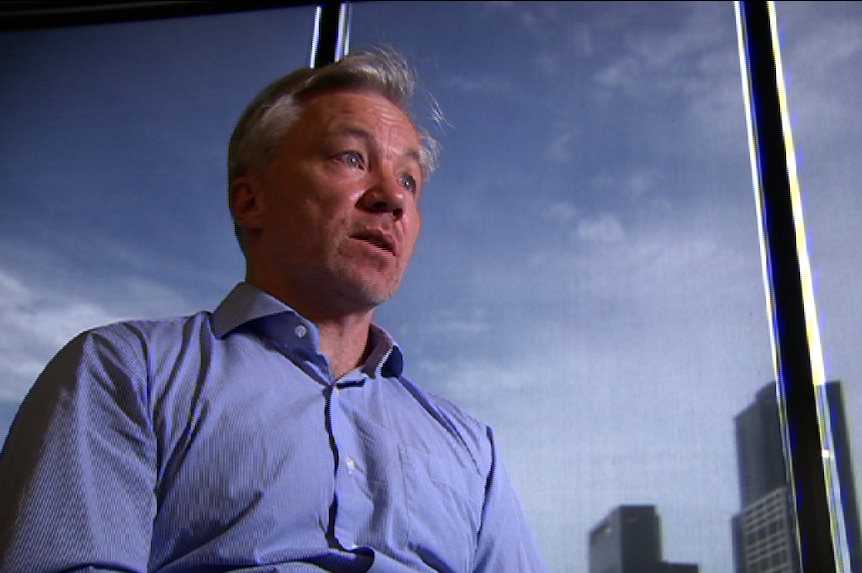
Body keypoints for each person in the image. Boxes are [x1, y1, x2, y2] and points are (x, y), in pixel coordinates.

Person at [0, 47, 549, 572]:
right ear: (250, 200)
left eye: (409, 179)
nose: (394, 198)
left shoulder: (473, 448)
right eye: (351, 158)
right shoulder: (126, 370)